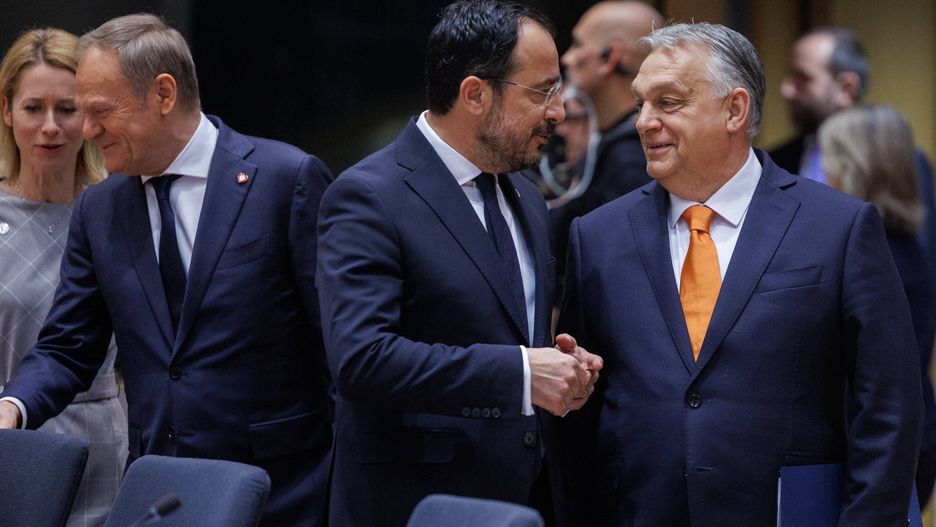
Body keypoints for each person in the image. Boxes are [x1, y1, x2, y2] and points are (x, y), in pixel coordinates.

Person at [558, 22, 922, 525]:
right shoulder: (596, 237)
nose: (644, 121)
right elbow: (581, 421)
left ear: (734, 109)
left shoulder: (837, 228)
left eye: (668, 102)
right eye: (642, 102)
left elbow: (889, 409)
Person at [0, 14, 332, 526]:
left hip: (283, 495)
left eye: (100, 112)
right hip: (162, 496)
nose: (86, 131)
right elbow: (68, 345)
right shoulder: (102, 209)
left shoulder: (284, 180)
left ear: (162, 93)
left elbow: (336, 348)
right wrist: (14, 405)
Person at [316, 1, 601, 526]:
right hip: (414, 502)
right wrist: (520, 371)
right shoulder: (367, 194)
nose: (558, 111)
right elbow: (362, 358)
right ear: (475, 94)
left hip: (525, 494)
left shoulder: (526, 195)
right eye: (542, 90)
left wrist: (559, 364)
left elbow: (505, 329)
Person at [0, 28, 126, 527]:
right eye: (34, 108)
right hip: (11, 440)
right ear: (7, 111)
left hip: (104, 443)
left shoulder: (122, 211)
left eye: (67, 109)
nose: (50, 127)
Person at [819, 103, 936, 505]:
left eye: (828, 160)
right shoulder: (905, 246)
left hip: (876, 455)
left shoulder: (872, 253)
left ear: (852, 167)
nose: (821, 175)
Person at [772, 26, 936, 278]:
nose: (787, 89)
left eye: (803, 77)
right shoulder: (773, 162)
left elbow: (921, 265)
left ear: (847, 87)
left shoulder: (906, 162)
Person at [550, 1, 663, 288]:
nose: (566, 58)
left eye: (577, 45)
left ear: (610, 57)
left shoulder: (632, 157)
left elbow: (621, 274)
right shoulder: (619, 146)